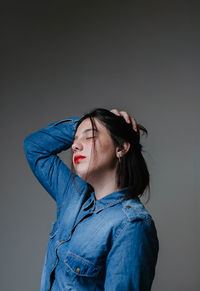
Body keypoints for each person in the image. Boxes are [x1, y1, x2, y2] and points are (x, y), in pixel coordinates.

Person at [24, 108, 159, 291]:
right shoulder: (72, 195)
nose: (75, 146)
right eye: (75, 140)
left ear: (121, 148)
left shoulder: (131, 225)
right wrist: (85, 124)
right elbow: (34, 147)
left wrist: (105, 123)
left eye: (89, 137)